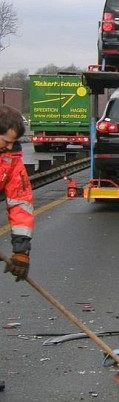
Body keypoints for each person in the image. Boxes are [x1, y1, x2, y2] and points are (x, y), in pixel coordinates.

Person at [0, 105, 33, 283]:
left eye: (13, 142)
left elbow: (20, 203)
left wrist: (21, 250)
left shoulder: (11, 159)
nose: (10, 146)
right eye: (6, 141)